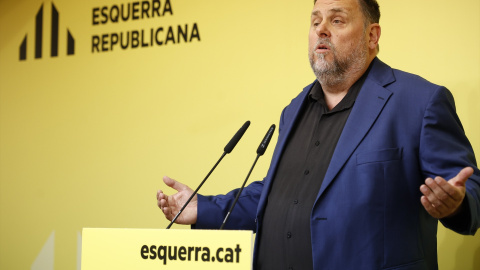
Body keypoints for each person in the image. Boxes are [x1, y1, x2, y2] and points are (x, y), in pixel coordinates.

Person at [157, 0, 480, 269]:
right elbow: (275, 195)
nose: (321, 30)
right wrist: (203, 207)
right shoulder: (294, 108)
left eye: (337, 20)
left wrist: (456, 205)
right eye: (315, 22)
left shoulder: (419, 101)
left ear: (372, 35)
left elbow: (470, 190)